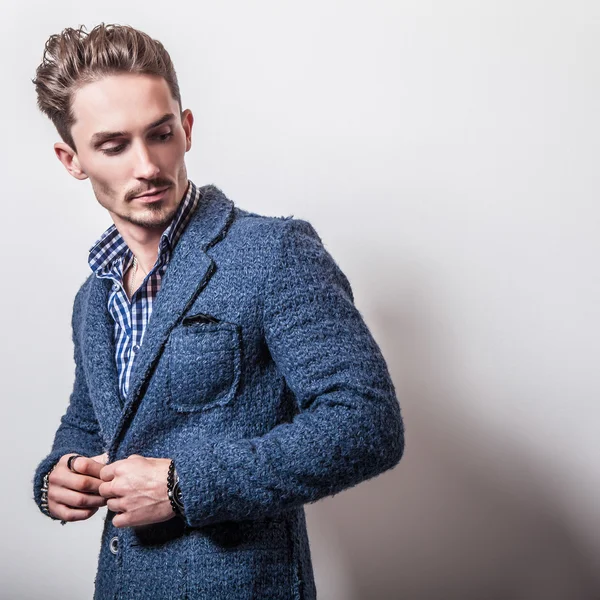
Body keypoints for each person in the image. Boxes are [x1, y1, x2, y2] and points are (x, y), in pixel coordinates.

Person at [31, 22, 405, 600]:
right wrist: (57, 475)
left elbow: (367, 422)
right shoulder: (94, 296)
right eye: (113, 145)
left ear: (185, 129)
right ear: (71, 159)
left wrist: (185, 485)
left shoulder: (272, 253)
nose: (147, 165)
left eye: (159, 135)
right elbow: (91, 422)